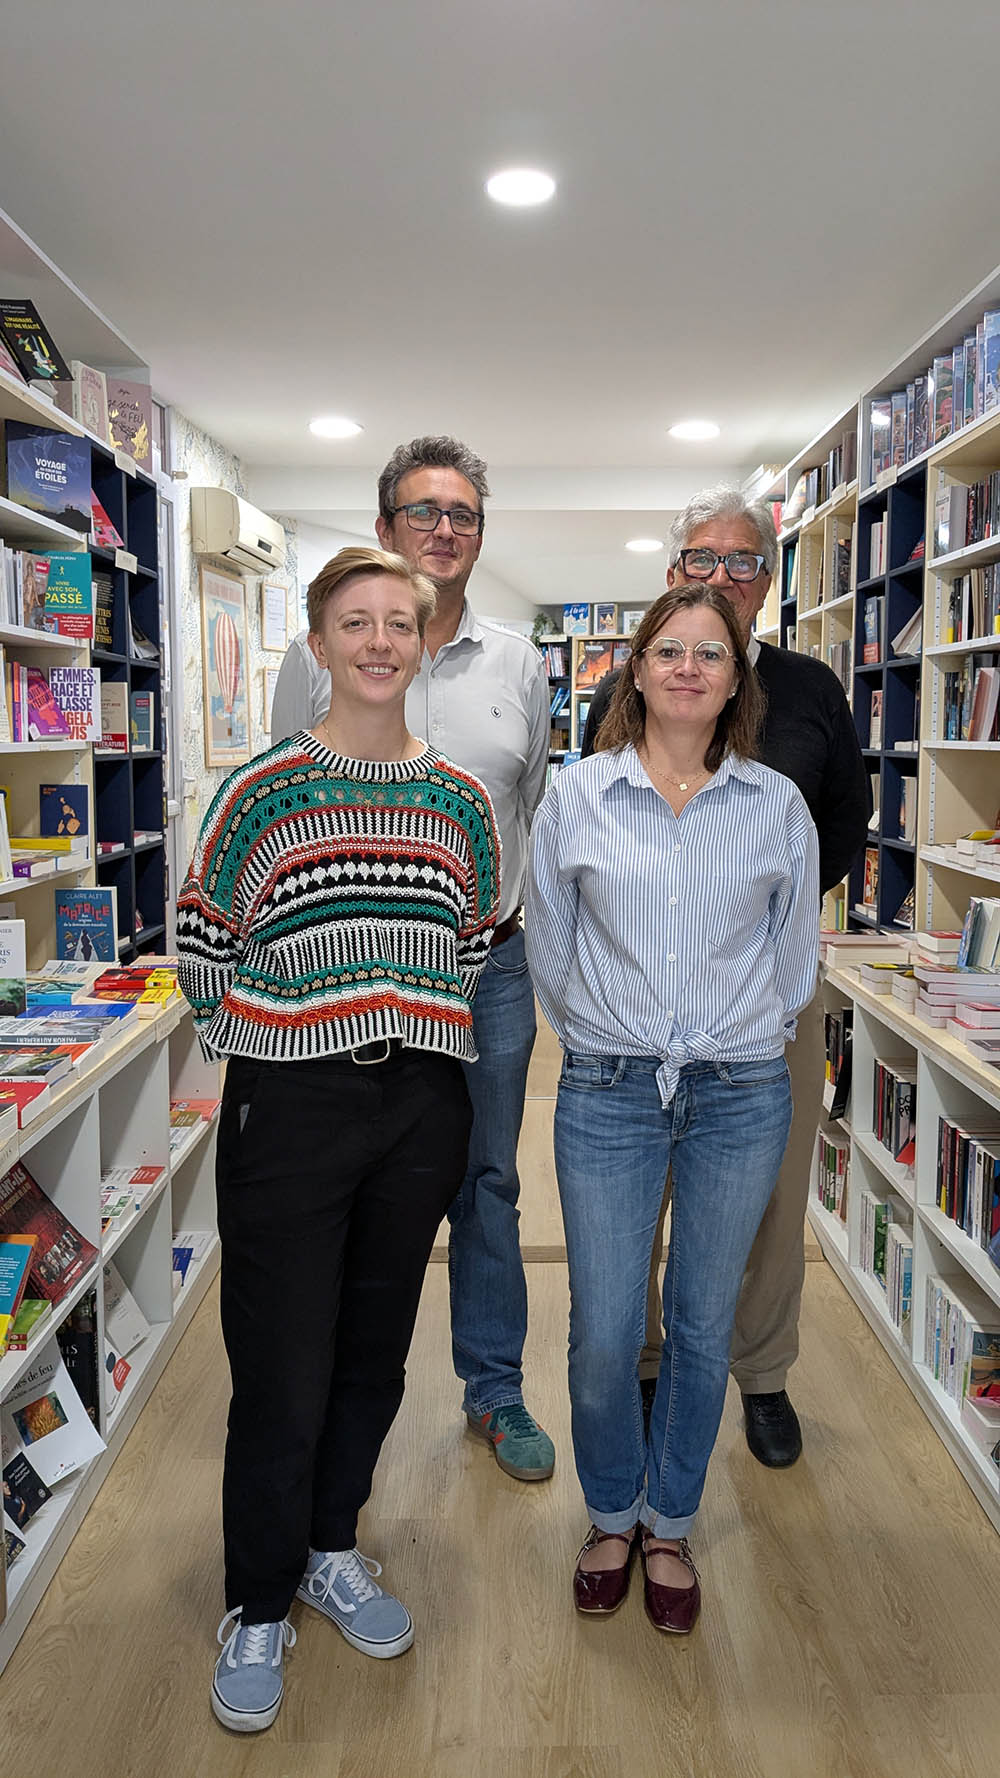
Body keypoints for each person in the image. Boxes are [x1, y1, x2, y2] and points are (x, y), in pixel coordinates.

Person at [177, 546, 500, 1733]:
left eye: (397, 624)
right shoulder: (261, 790)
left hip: (420, 1100)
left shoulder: (461, 798)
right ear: (315, 645)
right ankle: (256, 1594)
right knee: (280, 1353)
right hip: (293, 1099)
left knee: (372, 1346)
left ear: (422, 642)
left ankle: (328, 1543)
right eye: (353, 623)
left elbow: (471, 938)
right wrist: (284, 1037)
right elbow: (203, 944)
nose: (377, 642)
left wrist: (393, 1020)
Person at [526, 583, 819, 1632]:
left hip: (740, 1091)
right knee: (606, 1324)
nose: (689, 665)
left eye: (712, 651)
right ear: (638, 669)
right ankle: (610, 1509)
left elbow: (793, 964)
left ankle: (670, 1519)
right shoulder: (578, 796)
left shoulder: (774, 804)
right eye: (670, 649)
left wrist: (730, 1037)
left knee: (700, 1323)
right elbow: (552, 949)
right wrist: (612, 1029)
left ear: (736, 678)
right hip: (608, 1089)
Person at [271, 437, 555, 1482]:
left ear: (481, 533)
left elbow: (526, 819)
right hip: (352, 972)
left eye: (464, 514)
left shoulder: (520, 663)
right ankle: (338, 1405)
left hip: (489, 973)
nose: (444, 529)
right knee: (347, 1182)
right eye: (423, 511)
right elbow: (283, 800)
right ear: (384, 525)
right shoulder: (319, 654)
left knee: (486, 1181)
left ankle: (495, 1394)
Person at [581, 485, 869, 1467]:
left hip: (767, 989)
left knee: (769, 1195)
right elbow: (588, 833)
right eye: (700, 560)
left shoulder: (813, 691)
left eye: (741, 561)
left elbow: (840, 827)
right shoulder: (625, 687)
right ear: (671, 579)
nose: (719, 578)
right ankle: (656, 1358)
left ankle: (764, 1370)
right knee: (639, 1189)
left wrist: (760, 925)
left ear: (767, 577)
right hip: (637, 991)